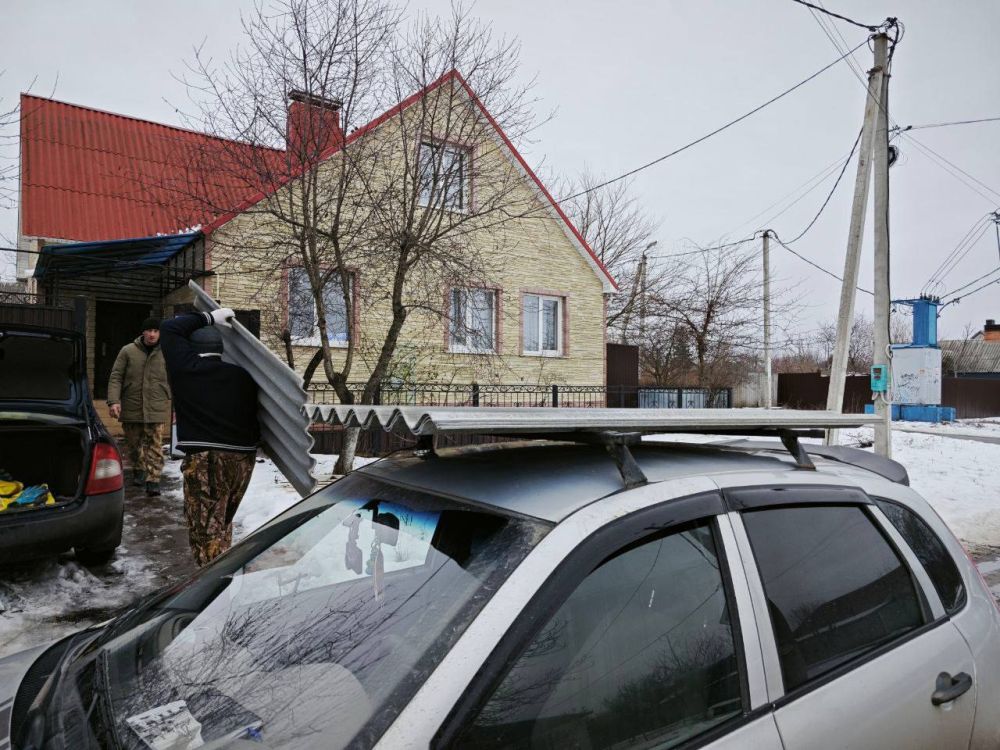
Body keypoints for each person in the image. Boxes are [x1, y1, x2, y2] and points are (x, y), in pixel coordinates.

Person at [159, 308, 260, 566]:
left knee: (205, 534)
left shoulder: (187, 369)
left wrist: (209, 317)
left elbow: (170, 329)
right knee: (222, 524)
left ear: (193, 348)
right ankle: (222, 582)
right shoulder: (242, 376)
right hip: (242, 460)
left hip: (208, 459)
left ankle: (212, 595)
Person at [107, 317, 170, 496]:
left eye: (156, 331)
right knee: (134, 445)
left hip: (156, 404)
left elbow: (176, 376)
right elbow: (116, 376)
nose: (152, 334)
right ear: (143, 332)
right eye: (149, 330)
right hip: (132, 405)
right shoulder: (128, 351)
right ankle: (139, 468)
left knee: (155, 445)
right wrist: (114, 401)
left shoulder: (167, 351)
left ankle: (154, 480)